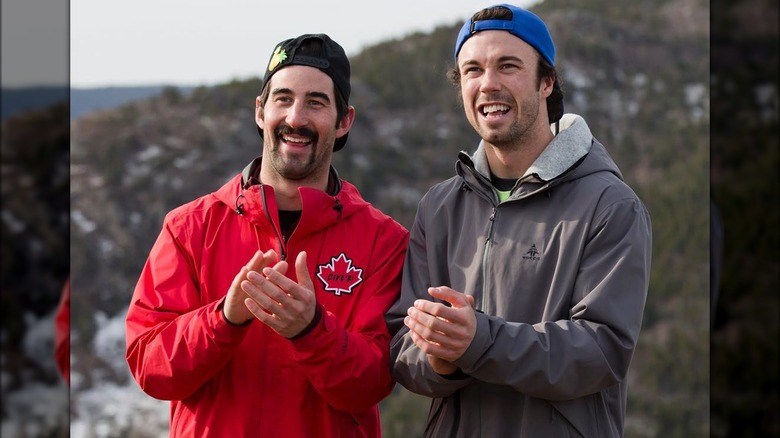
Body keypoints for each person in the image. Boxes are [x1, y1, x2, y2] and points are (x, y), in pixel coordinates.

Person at [387, 4, 652, 437]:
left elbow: (602, 350)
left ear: (546, 82)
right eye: (472, 69)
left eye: (507, 66)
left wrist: (479, 341)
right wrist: (440, 357)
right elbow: (402, 348)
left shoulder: (610, 204)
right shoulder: (438, 208)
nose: (488, 83)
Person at [126, 33, 409, 437]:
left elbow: (374, 382)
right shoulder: (189, 228)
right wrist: (225, 318)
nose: (296, 118)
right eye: (283, 98)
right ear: (261, 111)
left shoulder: (384, 241)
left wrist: (312, 330)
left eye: (316, 102)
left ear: (344, 120)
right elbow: (151, 368)